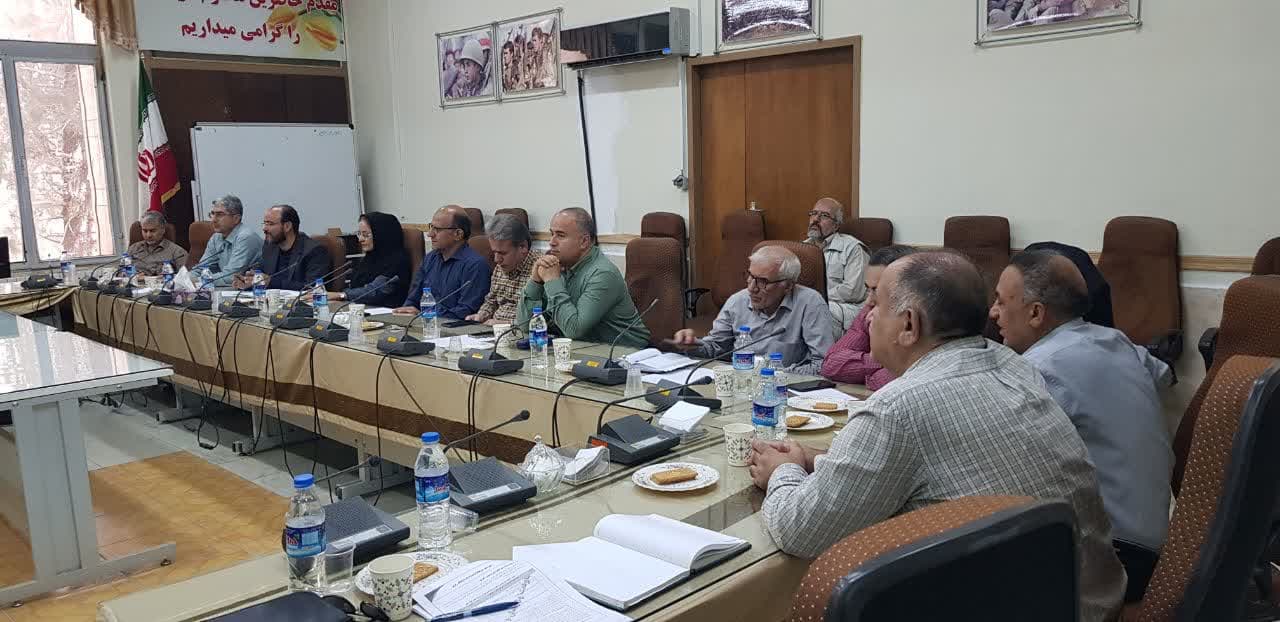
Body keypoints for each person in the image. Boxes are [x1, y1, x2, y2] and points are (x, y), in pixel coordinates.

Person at [750, 251, 1126, 622]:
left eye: (876, 305)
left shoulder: (897, 407)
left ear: (909, 324)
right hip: (1083, 603)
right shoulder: (1014, 365)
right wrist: (819, 460)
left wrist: (783, 470)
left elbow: (801, 531)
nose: (868, 316)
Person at [990, 249, 1173, 603]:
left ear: (1036, 313)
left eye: (1000, 301)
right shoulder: (1117, 341)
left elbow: (999, 463)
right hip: (1158, 544)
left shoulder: (1040, 369)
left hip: (1114, 557)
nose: (992, 312)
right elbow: (1165, 376)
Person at [671, 246, 832, 375]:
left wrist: (776, 375)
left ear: (788, 286)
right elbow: (715, 347)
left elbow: (823, 364)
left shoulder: (811, 304)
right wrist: (692, 344)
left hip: (786, 389)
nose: (751, 288)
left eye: (763, 282)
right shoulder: (737, 301)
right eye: (750, 276)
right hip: (741, 383)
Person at [516, 208, 649, 347]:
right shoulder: (559, 266)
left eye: (560, 235)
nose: (552, 242)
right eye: (551, 234)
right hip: (584, 348)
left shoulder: (602, 274)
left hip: (624, 351)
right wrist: (535, 281)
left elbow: (574, 329)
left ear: (584, 241)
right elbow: (525, 325)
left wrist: (552, 281)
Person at [820, 244, 916, 389]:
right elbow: (831, 364)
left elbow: (883, 380)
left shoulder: (927, 319)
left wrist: (870, 372)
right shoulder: (869, 311)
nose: (868, 301)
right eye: (868, 289)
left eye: (877, 290)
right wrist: (882, 361)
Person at [394, 206, 490, 319]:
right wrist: (405, 312)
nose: (430, 234)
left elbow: (466, 310)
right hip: (423, 323)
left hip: (453, 327)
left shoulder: (475, 265)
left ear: (458, 234)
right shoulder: (430, 258)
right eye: (431, 227)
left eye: (437, 229)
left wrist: (426, 314)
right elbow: (413, 299)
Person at [802, 198, 870, 333]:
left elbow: (853, 291)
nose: (816, 219)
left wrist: (816, 297)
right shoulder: (803, 248)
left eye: (824, 215)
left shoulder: (853, 248)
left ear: (836, 225)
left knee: (818, 310)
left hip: (848, 307)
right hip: (813, 302)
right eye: (814, 213)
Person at [232, 205, 330, 291]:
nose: (264, 228)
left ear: (287, 226)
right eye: (264, 223)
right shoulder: (270, 246)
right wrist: (246, 280)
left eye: (270, 224)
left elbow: (312, 288)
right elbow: (260, 273)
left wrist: (271, 282)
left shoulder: (314, 251)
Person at [467, 213, 541, 326]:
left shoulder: (540, 269)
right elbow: (491, 301)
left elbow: (541, 317)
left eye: (502, 253)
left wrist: (505, 324)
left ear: (523, 247)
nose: (496, 259)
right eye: (494, 252)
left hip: (522, 331)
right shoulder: (500, 266)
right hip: (492, 329)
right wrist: (481, 315)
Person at [341, 212, 410, 308]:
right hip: (364, 309)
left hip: (389, 312)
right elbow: (355, 286)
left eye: (365, 235)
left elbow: (375, 291)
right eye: (359, 234)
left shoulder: (398, 261)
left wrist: (342, 295)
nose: (360, 239)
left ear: (381, 234)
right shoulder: (368, 259)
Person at [197, 195, 262, 287]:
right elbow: (201, 269)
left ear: (236, 219)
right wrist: (184, 279)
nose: (213, 220)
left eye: (219, 214)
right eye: (212, 214)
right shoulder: (216, 237)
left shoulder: (246, 237)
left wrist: (198, 281)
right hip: (227, 289)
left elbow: (231, 276)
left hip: (252, 290)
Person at [127, 211, 187, 276]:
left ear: (163, 230)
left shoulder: (177, 252)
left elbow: (185, 277)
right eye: (145, 231)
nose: (148, 235)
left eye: (152, 231)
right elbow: (121, 272)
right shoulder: (134, 249)